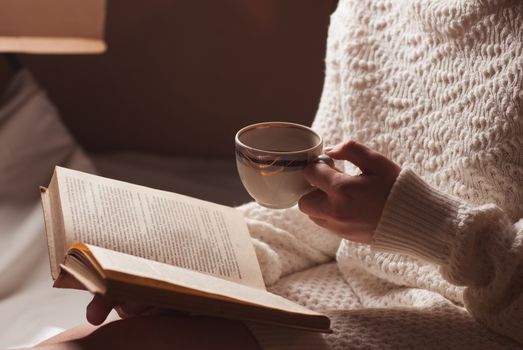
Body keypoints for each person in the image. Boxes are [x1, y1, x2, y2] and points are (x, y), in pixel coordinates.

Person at [34, 0, 523, 348]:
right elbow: (314, 207)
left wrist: (426, 227)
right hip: (330, 287)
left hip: (475, 324)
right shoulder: (369, 8)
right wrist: (184, 276)